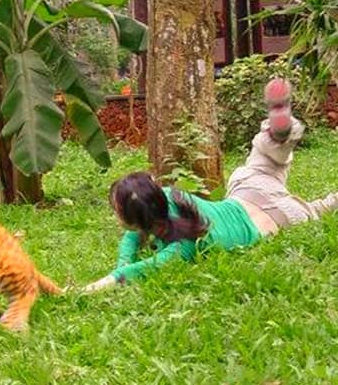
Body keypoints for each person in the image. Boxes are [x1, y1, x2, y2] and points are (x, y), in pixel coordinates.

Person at [82, 78, 338, 293]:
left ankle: (327, 194)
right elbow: (132, 236)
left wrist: (108, 277)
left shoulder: (183, 247)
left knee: (320, 208)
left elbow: (137, 269)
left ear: (134, 220)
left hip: (279, 218)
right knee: (261, 161)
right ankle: (276, 135)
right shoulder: (171, 195)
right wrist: (123, 261)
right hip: (249, 192)